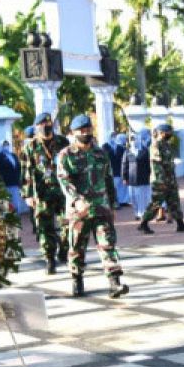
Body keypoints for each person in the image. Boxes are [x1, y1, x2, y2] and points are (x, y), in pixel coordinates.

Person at [56, 114, 129, 299]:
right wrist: (76, 199)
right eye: (81, 131)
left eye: (88, 129)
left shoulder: (100, 154)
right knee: (77, 247)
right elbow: (64, 181)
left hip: (101, 208)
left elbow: (108, 179)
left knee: (108, 245)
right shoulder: (66, 155)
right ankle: (77, 279)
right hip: (79, 211)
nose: (85, 133)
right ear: (73, 132)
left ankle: (115, 283)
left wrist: (113, 204)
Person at [21, 112, 70, 274]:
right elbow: (26, 170)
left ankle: (64, 250)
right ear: (36, 127)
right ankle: (49, 258)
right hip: (42, 192)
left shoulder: (63, 142)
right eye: (42, 125)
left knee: (68, 224)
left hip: (63, 191)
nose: (46, 127)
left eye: (48, 124)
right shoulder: (31, 147)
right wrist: (28, 195)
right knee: (44, 226)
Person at [137, 123, 184, 234]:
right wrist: (161, 181)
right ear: (161, 133)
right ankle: (143, 224)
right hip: (160, 181)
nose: (171, 134)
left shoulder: (166, 145)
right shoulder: (155, 145)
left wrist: (172, 180)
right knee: (156, 204)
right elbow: (157, 164)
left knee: (174, 202)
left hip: (170, 179)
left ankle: (180, 224)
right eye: (169, 132)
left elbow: (169, 163)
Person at [125, 129, 152, 217]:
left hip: (142, 178)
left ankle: (142, 213)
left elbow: (148, 164)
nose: (133, 141)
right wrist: (125, 177)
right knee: (133, 197)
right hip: (132, 178)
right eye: (132, 139)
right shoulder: (128, 151)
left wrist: (149, 176)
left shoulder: (144, 150)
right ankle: (136, 212)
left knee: (141, 197)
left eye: (135, 139)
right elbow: (124, 164)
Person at [0, 140, 25, 214]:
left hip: (14, 183)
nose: (6, 146)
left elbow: (18, 167)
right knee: (6, 205)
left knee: (15, 204)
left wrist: (19, 180)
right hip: (4, 184)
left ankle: (16, 221)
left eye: (7, 144)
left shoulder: (13, 155)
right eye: (4, 145)